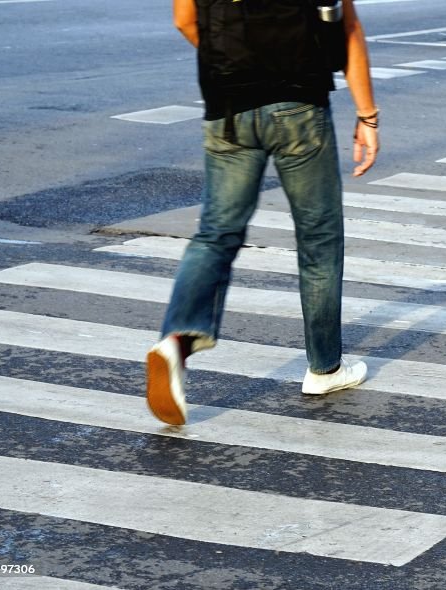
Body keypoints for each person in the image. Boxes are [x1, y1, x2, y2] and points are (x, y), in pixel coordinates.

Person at [145, 0, 379, 425]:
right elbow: (347, 29)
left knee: (217, 233)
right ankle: (324, 368)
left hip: (228, 106)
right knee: (319, 238)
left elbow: (184, 20)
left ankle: (178, 337)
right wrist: (368, 117)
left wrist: (233, 71)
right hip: (299, 104)